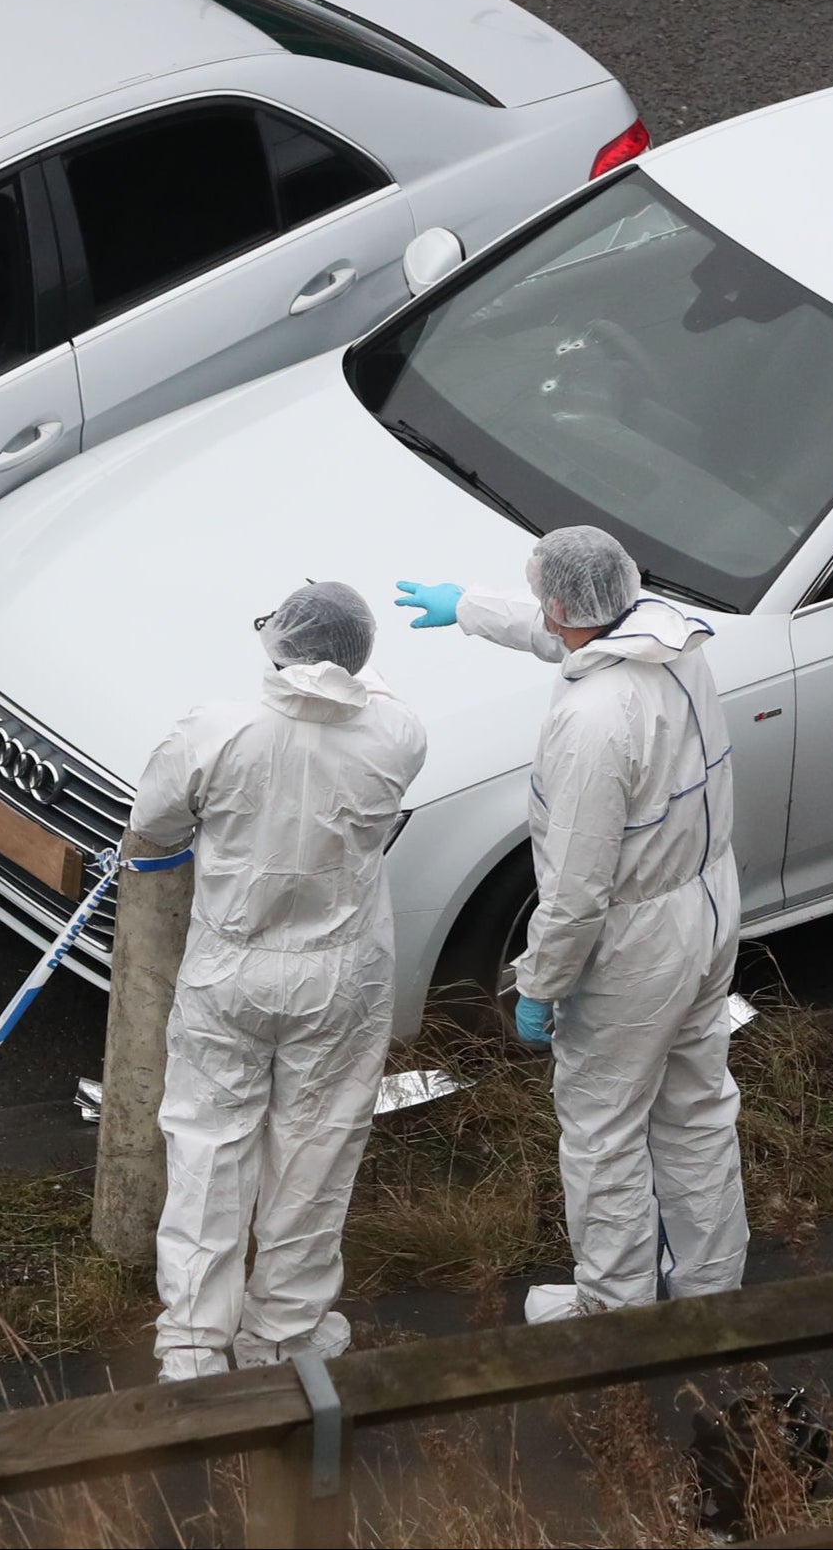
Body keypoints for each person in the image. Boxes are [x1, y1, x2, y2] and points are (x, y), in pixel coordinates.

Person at [395, 525, 747, 1320]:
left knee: (603, 1128)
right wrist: (469, 610)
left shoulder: (591, 723)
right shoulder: (669, 640)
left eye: (544, 604)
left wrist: (538, 982)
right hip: (704, 905)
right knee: (695, 1107)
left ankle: (615, 1311)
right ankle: (710, 1291)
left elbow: (578, 886)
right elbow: (568, 635)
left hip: (635, 945)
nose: (545, 619)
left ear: (561, 603)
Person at [125, 580, 427, 1382]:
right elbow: (369, 705)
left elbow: (152, 819)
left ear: (277, 642)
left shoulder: (219, 728)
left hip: (229, 965)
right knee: (314, 1154)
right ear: (362, 655)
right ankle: (284, 1335)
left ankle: (192, 1343)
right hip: (339, 976)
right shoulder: (396, 736)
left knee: (206, 1147)